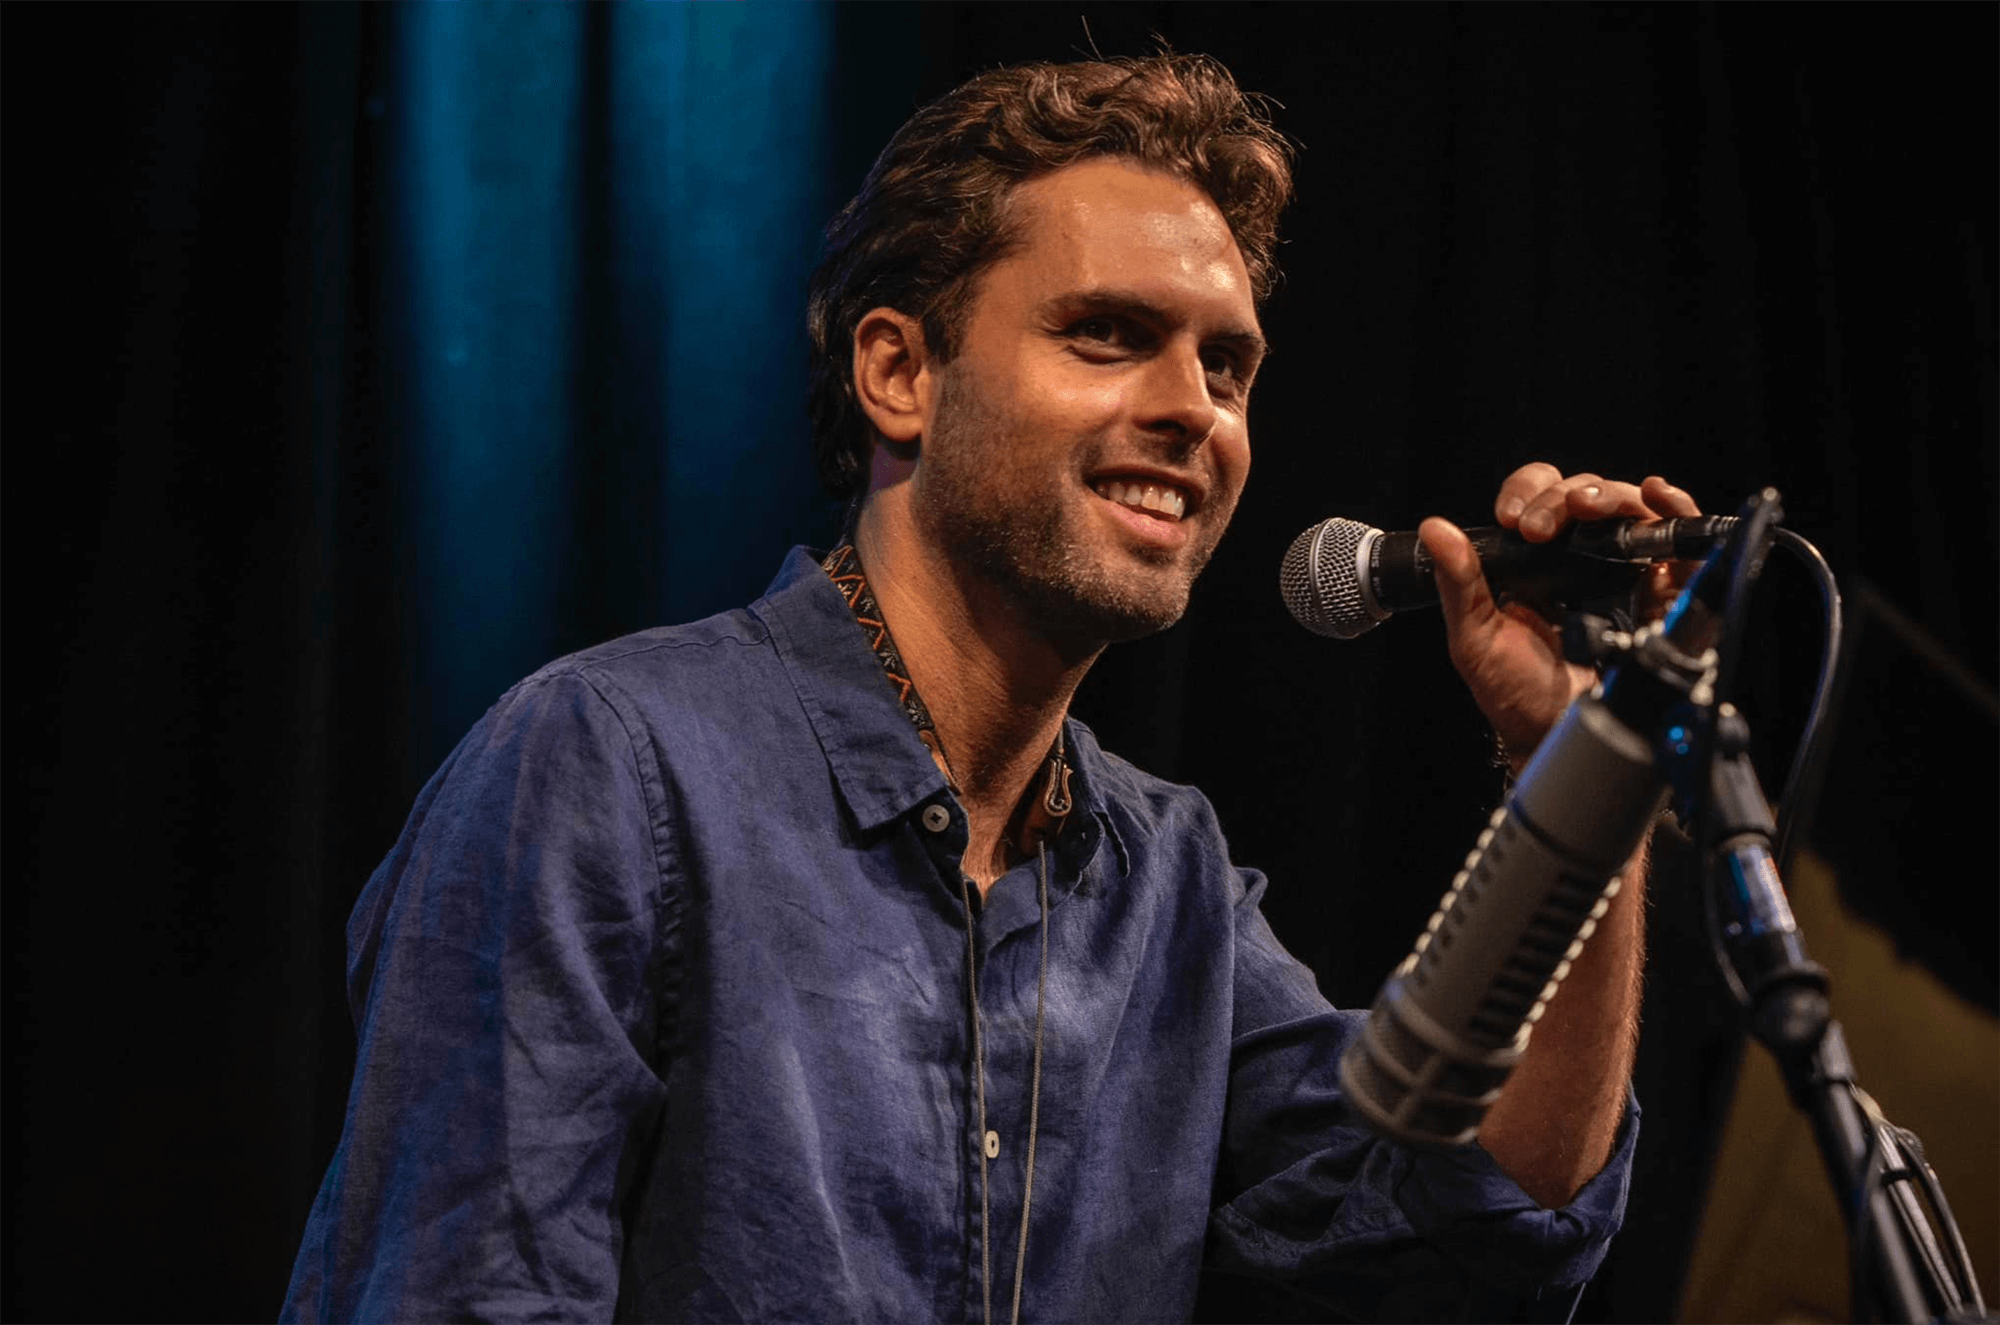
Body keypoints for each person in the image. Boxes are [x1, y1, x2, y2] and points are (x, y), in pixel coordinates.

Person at [281, 53, 1702, 1323]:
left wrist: (1594, 762)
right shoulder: (607, 769)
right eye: (1105, 335)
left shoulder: (1174, 886)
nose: (1192, 408)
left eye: (1228, 364)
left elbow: (1485, 1227)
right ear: (898, 372)